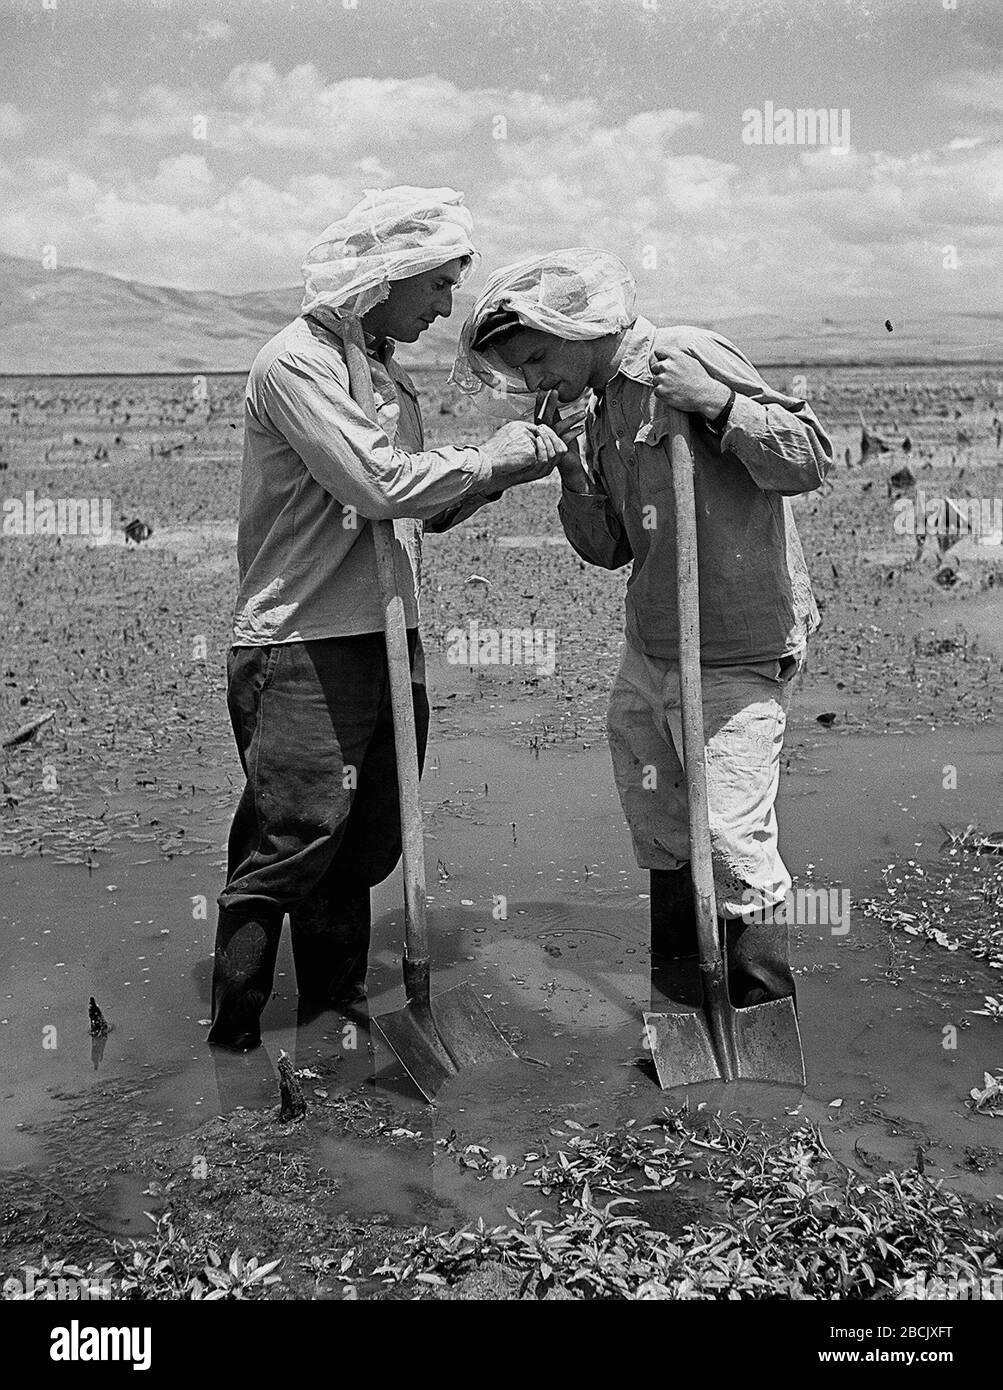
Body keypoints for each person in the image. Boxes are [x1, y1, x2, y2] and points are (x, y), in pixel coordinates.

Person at [209, 188, 566, 1050]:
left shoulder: (385, 376)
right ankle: (237, 1038)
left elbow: (412, 510)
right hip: (301, 642)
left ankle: (333, 1015)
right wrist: (484, 457)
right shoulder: (297, 364)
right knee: (292, 841)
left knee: (365, 845)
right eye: (438, 285)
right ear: (388, 275)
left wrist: (500, 472)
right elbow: (377, 484)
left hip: (383, 633)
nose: (447, 306)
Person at [452, 249, 833, 1009]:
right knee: (660, 826)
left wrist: (718, 407)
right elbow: (609, 549)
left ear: (578, 326)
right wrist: (568, 471)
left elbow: (808, 459)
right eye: (519, 372)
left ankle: (757, 1012)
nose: (536, 383)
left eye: (538, 359)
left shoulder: (683, 355)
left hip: (735, 644)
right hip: (651, 647)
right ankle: (684, 1006)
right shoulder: (597, 410)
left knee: (728, 837)